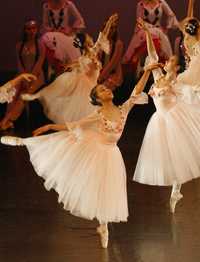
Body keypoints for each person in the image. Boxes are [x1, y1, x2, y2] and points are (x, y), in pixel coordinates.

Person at [1, 62, 159, 248]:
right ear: (98, 99)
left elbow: (136, 91)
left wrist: (147, 71)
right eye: (102, 90)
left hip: (112, 152)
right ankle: (25, 142)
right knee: (91, 176)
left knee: (109, 188)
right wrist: (50, 126)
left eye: (105, 88)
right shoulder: (98, 114)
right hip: (96, 149)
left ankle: (103, 225)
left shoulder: (123, 109)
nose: (107, 90)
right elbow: (76, 124)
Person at [133, 19, 200, 214]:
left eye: (172, 60)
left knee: (180, 154)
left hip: (174, 119)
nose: (168, 60)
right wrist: (147, 31)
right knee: (169, 157)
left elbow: (193, 90)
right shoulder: (158, 77)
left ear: (176, 67)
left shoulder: (176, 84)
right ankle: (176, 190)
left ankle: (176, 189)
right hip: (159, 121)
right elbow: (152, 53)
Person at [22, 14, 118, 124]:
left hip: (91, 85)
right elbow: (79, 63)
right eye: (88, 40)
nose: (90, 40)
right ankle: (35, 96)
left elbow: (102, 36)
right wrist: (71, 66)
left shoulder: (93, 52)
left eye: (90, 39)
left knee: (91, 110)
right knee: (78, 106)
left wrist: (109, 23)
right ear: (85, 44)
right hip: (84, 86)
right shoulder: (85, 56)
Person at [0, 20, 45, 130]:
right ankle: (7, 120)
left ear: (37, 30)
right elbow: (19, 64)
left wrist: (30, 79)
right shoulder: (19, 45)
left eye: (34, 28)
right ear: (25, 30)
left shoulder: (40, 45)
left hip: (37, 76)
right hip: (22, 75)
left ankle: (6, 121)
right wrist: (22, 78)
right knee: (12, 93)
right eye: (29, 28)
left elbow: (39, 63)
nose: (31, 31)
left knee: (23, 95)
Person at [123, 0, 178, 74]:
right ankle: (140, 70)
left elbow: (171, 15)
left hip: (158, 31)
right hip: (145, 31)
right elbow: (139, 20)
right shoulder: (141, 4)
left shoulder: (161, 2)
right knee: (138, 49)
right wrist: (143, 28)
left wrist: (167, 28)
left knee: (164, 50)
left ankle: (161, 70)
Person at [41, 0, 85, 77]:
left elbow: (80, 20)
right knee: (46, 41)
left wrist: (70, 29)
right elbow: (45, 23)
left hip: (65, 36)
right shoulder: (46, 6)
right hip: (52, 36)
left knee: (71, 60)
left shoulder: (68, 4)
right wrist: (51, 29)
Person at [98, 13, 124, 91]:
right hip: (102, 75)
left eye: (114, 28)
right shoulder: (100, 43)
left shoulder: (118, 44)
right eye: (109, 27)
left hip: (114, 75)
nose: (111, 30)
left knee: (105, 87)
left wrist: (100, 78)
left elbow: (112, 64)